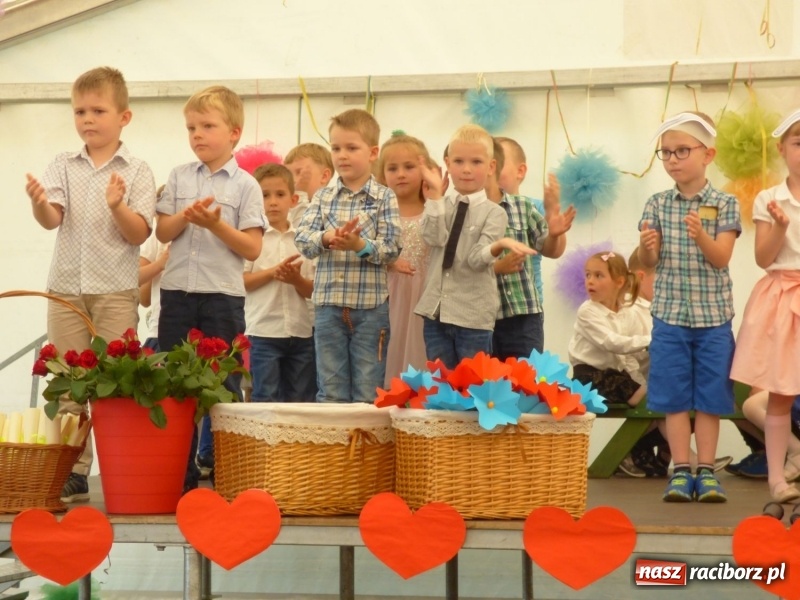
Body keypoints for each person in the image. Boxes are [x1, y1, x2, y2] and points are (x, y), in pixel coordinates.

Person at [25, 66, 156, 503]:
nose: (88, 119)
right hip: (65, 289)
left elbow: (139, 234)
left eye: (98, 110)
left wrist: (117, 205)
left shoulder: (136, 170)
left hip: (115, 291)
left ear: (125, 117)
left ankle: (123, 465)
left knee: (117, 382)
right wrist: (40, 204)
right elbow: (52, 220)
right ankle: (72, 469)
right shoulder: (62, 163)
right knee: (67, 379)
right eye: (80, 111)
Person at [156, 85, 265, 491]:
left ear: (234, 132)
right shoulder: (179, 176)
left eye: (207, 126)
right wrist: (186, 215)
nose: (197, 134)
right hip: (178, 294)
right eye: (191, 127)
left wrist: (216, 224)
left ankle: (227, 472)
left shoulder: (246, 186)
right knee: (173, 383)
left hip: (222, 297)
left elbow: (252, 246)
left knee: (223, 384)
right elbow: (163, 230)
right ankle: (179, 474)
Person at [639, 111, 741, 503]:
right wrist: (648, 250)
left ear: (708, 154)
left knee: (711, 398)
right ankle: (681, 469)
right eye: (665, 153)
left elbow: (721, 259)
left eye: (682, 150)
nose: (673, 159)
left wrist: (700, 236)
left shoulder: (724, 203)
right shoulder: (657, 203)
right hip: (669, 317)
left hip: (713, 319)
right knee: (674, 397)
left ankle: (707, 470)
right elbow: (648, 264)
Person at [295, 109, 401, 402]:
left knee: (368, 390)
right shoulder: (322, 197)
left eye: (352, 148)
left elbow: (392, 247)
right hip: (328, 307)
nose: (342, 155)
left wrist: (359, 245)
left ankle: (365, 448)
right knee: (330, 389)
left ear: (372, 152)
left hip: (370, 310)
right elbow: (302, 240)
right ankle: (336, 449)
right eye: (336, 148)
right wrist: (327, 238)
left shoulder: (384, 197)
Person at [414, 124, 535, 368]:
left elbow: (476, 260)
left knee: (473, 386)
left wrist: (499, 244)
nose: (466, 169)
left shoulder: (494, 213)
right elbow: (432, 238)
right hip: (436, 312)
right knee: (441, 385)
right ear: (447, 163)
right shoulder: (440, 205)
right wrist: (435, 197)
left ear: (491, 167)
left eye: (476, 162)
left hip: (473, 317)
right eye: (458, 161)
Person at [730, 109, 800, 503]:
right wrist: (781, 227)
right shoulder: (769, 198)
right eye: (798, 143)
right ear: (782, 148)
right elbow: (763, 257)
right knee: (779, 393)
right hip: (781, 300)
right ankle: (778, 478)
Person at [486, 139, 576, 359]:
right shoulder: (477, 210)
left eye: (498, 164)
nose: (491, 171)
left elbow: (553, 250)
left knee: (525, 376)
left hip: (523, 309)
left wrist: (555, 231)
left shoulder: (532, 206)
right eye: (487, 164)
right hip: (485, 310)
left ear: (520, 171)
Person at [244, 163, 316, 402]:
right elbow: (240, 282)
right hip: (264, 332)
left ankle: (296, 441)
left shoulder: (303, 240)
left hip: (301, 332)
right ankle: (264, 441)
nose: (272, 202)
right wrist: (273, 272)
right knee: (266, 397)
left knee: (301, 399)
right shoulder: (252, 239)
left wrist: (296, 279)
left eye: (280, 194)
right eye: (264, 195)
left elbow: (312, 290)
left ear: (293, 199)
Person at [376, 132, 434, 384]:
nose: (401, 174)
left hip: (424, 297)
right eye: (393, 168)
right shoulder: (379, 214)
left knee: (422, 354)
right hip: (390, 296)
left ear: (425, 170)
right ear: (382, 175)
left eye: (409, 167)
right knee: (389, 351)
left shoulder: (434, 210)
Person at [568, 252, 650, 408]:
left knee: (652, 398)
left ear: (619, 282)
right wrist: (649, 341)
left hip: (616, 375)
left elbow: (629, 357)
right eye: (587, 275)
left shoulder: (627, 312)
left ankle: (670, 433)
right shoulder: (587, 312)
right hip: (589, 379)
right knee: (646, 400)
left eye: (598, 276)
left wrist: (638, 380)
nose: (590, 281)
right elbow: (612, 343)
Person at [139, 186, 170, 351]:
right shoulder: (156, 240)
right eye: (160, 213)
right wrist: (159, 264)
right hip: (159, 329)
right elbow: (143, 298)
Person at [284, 143, 334, 227]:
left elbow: (301, 230)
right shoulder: (287, 207)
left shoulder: (329, 208)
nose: (292, 180)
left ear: (324, 176)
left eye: (299, 172)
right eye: (288, 174)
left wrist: (301, 193)